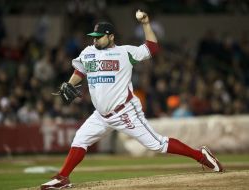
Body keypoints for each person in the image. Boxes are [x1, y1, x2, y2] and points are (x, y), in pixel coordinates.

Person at [41, 10, 223, 190]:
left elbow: (152, 47)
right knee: (80, 139)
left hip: (125, 111)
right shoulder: (88, 52)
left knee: (158, 144)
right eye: (93, 36)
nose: (95, 39)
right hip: (101, 115)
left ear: (111, 37)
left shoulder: (125, 52)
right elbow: (80, 71)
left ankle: (201, 155)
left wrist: (145, 23)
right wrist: (70, 83)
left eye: (99, 36)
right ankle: (62, 178)